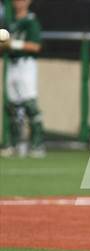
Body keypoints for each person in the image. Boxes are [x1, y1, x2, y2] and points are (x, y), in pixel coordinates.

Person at [0, 0, 45, 158]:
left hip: (26, 64)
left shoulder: (31, 21)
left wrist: (14, 44)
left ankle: (37, 145)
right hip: (12, 64)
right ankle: (14, 144)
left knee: (29, 104)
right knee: (13, 105)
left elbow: (36, 46)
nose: (18, 3)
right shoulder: (10, 22)